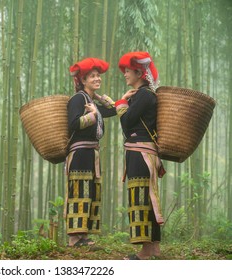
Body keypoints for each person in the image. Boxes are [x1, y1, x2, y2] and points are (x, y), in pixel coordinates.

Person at [115, 51, 165, 259]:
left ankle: (145, 251)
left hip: (140, 153)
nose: (125, 74)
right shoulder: (143, 95)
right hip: (142, 152)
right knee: (148, 197)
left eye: (128, 71)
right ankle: (153, 247)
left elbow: (126, 124)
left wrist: (121, 103)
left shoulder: (144, 95)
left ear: (139, 72)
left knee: (141, 199)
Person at [65, 57, 117, 247]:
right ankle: (73, 238)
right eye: (92, 76)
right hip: (79, 153)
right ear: (83, 81)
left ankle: (83, 235)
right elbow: (73, 124)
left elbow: (113, 110)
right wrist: (92, 115)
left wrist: (99, 99)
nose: (97, 79)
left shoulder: (89, 99)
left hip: (91, 153)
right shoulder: (78, 99)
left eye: (98, 76)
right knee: (79, 191)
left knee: (90, 192)